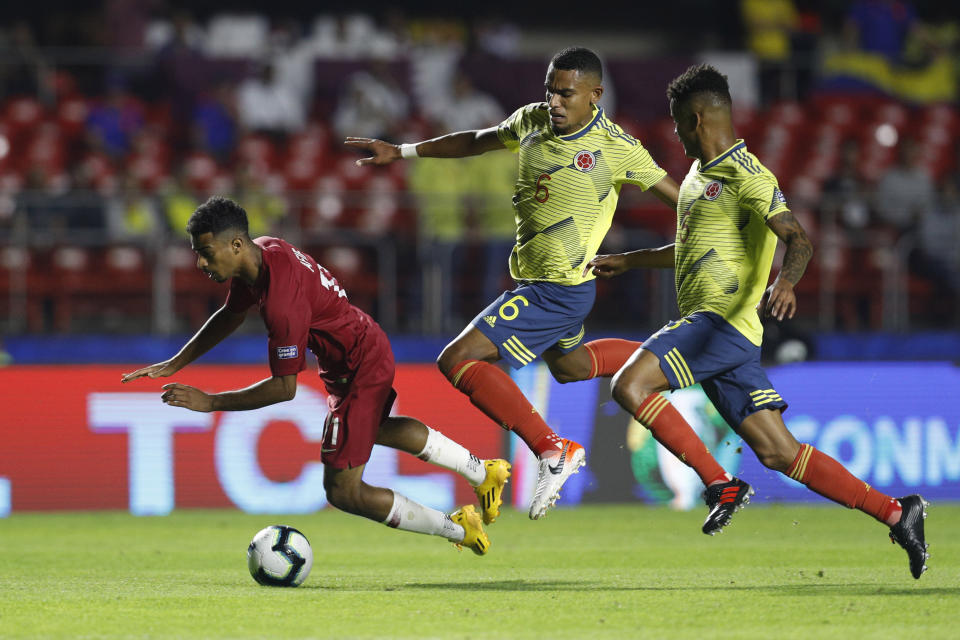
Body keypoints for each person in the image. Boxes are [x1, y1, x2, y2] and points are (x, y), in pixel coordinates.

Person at [584, 64, 929, 579]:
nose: (676, 137)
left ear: (697, 119)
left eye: (679, 126)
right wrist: (632, 260)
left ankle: (719, 483)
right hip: (731, 339)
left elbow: (799, 238)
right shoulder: (701, 177)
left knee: (630, 383)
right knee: (778, 452)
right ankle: (898, 513)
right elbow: (692, 250)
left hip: (718, 324)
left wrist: (786, 281)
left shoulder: (749, 175)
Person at [346, 47, 680, 519]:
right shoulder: (533, 121)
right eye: (549, 90)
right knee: (568, 366)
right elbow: (476, 141)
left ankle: (551, 449)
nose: (555, 101)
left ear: (594, 95)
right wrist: (402, 150)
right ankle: (662, 357)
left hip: (556, 289)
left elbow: (682, 200)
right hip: (546, 281)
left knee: (458, 360)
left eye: (566, 93)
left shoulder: (616, 148)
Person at [121, 196, 510, 556]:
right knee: (374, 429)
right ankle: (481, 470)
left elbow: (284, 388)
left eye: (206, 254)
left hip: (359, 363)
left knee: (343, 490)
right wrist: (177, 362)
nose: (201, 264)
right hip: (357, 351)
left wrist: (211, 402)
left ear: (235, 245)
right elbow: (232, 314)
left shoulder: (280, 304)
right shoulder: (264, 252)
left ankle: (460, 528)